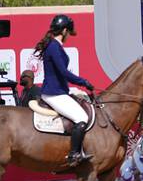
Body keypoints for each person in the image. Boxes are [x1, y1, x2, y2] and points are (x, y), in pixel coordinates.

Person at [33, 14, 96, 165]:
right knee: (81, 118)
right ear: (65, 31)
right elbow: (63, 72)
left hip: (58, 91)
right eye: (69, 33)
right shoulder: (54, 46)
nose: (69, 36)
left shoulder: (54, 45)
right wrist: (84, 82)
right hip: (54, 94)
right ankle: (74, 154)